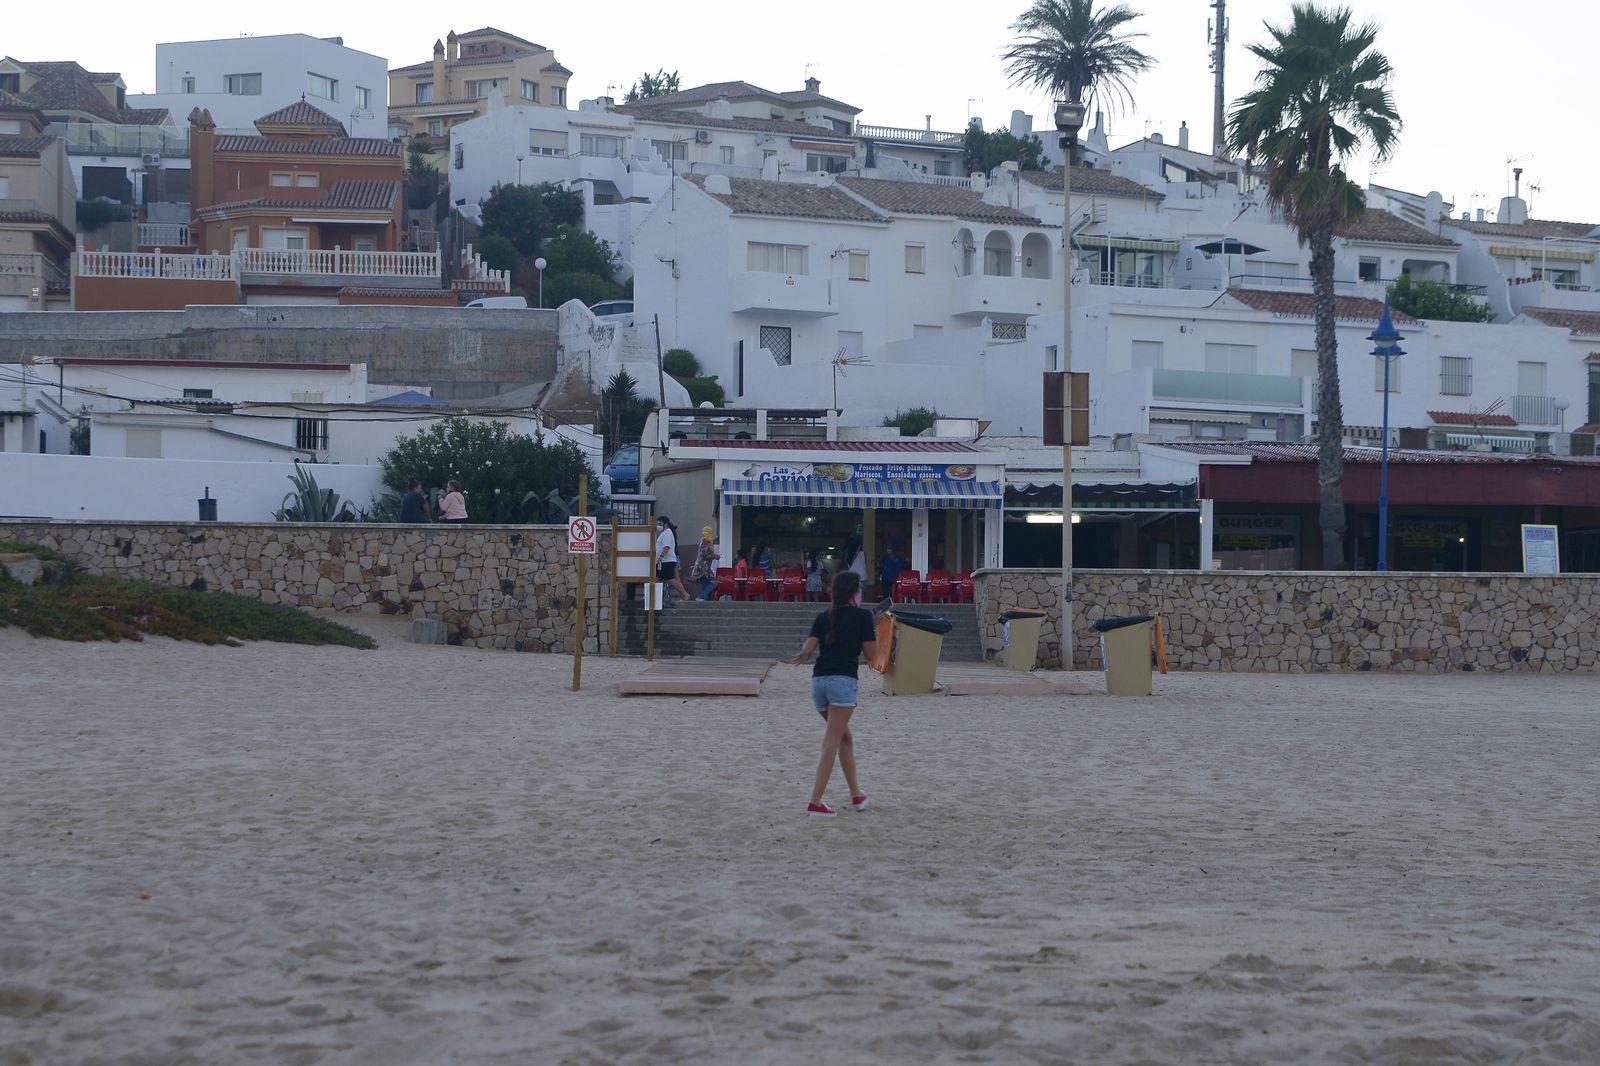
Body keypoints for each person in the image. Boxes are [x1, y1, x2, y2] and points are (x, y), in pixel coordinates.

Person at [790, 570, 877, 818]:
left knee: (844, 739)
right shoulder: (863, 617)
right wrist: (876, 628)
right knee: (831, 742)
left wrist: (802, 656)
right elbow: (871, 657)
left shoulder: (823, 616)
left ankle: (856, 795)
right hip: (842, 681)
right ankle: (815, 802)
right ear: (854, 592)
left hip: (819, 682)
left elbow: (807, 650)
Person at [655, 515, 690, 603]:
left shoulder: (667, 533)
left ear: (665, 524)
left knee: (670, 579)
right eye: (657, 523)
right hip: (663, 562)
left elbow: (666, 547)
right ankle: (658, 597)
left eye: (660, 523)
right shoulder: (664, 533)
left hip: (667, 561)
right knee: (657, 578)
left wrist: (660, 557)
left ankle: (685, 594)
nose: (658, 525)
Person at [691, 525, 719, 601]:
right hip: (704, 567)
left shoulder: (702, 541)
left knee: (705, 583)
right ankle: (701, 596)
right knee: (713, 582)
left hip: (700, 567)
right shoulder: (706, 542)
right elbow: (705, 554)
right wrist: (714, 556)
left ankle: (705, 601)